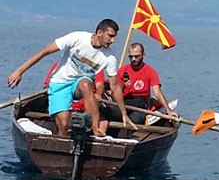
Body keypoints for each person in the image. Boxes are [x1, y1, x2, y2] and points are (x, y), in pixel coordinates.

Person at [7, 19, 136, 136]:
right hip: (60, 82)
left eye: (114, 37)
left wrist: (124, 113)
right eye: (110, 36)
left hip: (80, 84)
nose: (113, 40)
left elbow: (114, 86)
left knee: (85, 84)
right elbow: (44, 52)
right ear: (99, 33)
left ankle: (95, 128)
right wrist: (20, 71)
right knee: (63, 124)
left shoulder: (110, 57)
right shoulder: (77, 38)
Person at [109, 42, 178, 124]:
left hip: (141, 104)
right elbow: (114, 93)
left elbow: (157, 92)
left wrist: (168, 110)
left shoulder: (150, 71)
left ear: (143, 54)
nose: (133, 59)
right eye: (131, 57)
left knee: (134, 120)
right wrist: (123, 85)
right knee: (111, 113)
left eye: (136, 56)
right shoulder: (122, 70)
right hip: (124, 102)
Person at [44, 61, 110, 134]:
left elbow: (100, 85)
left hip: (85, 109)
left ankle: (95, 140)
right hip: (68, 108)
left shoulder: (94, 66)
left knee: (103, 123)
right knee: (63, 123)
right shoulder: (60, 65)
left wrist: (98, 94)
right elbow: (47, 85)